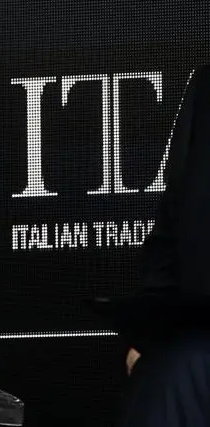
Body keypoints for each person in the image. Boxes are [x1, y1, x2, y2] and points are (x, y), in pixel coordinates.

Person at [115, 65, 210, 425]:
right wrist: (147, 335)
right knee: (163, 379)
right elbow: (175, 221)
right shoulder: (205, 88)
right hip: (195, 347)